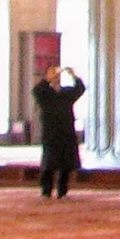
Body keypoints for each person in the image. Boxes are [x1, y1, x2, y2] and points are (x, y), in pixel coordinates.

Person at [32, 65, 87, 199]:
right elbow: (36, 90)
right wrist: (47, 79)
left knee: (66, 164)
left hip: (66, 132)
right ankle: (46, 191)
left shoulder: (65, 94)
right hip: (50, 133)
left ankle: (62, 191)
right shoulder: (44, 94)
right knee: (49, 164)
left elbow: (80, 89)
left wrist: (74, 76)